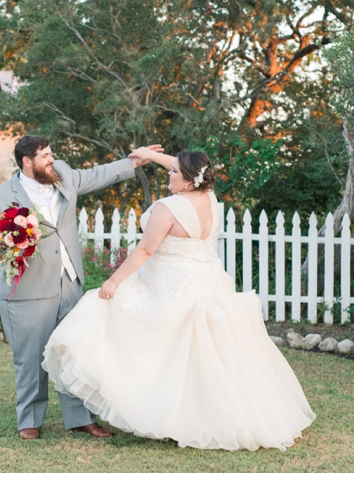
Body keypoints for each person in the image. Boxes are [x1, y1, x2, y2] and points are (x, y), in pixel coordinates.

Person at [42, 149, 316, 451]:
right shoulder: (209, 196)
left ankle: (163, 413)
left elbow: (145, 251)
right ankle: (212, 416)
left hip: (171, 287)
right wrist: (148, 154)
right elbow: (184, 165)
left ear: (187, 181)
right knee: (210, 355)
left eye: (174, 172)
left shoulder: (167, 208)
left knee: (106, 309)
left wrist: (113, 282)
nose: (168, 173)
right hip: (209, 282)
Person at [0, 135, 161, 441]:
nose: (52, 159)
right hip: (28, 290)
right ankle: (29, 421)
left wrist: (133, 163)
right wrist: (7, 238)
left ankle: (81, 419)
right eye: (45, 155)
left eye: (51, 153)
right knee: (31, 359)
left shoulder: (61, 173)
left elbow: (96, 175)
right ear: (27, 162)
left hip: (70, 283)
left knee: (75, 353)